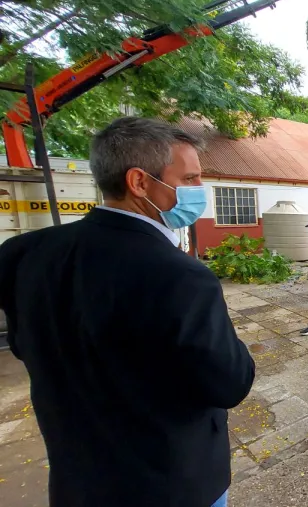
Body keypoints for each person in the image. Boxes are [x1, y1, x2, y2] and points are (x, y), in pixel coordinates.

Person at [0, 117, 255, 507]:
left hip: (78, 481)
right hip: (169, 484)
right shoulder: (180, 276)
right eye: (188, 179)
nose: (198, 190)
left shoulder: (24, 254)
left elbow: (24, 345)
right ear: (139, 182)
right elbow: (230, 382)